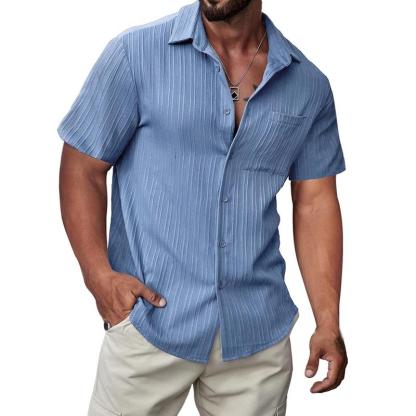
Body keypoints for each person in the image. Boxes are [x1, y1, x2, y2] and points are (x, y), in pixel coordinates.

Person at [57, 0, 348, 415]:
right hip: (150, 322)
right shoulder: (134, 55)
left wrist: (328, 320)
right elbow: (82, 167)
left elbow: (315, 203)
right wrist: (98, 276)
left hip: (256, 336)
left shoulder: (307, 84)